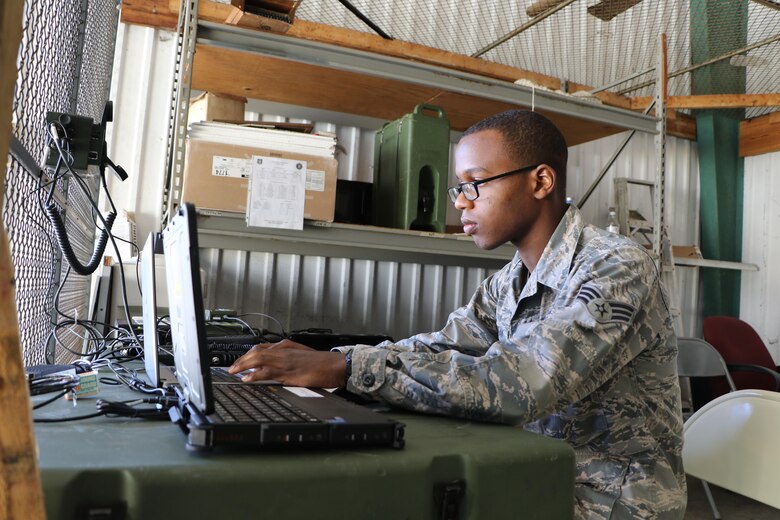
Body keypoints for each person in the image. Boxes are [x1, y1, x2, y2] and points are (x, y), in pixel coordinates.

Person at [229, 109, 686, 519]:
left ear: (541, 181)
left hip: (611, 498)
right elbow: (444, 344)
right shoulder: (509, 281)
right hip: (532, 464)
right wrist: (329, 362)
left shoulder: (617, 266)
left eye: (474, 184)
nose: (460, 202)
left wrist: (348, 368)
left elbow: (523, 384)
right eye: (457, 188)